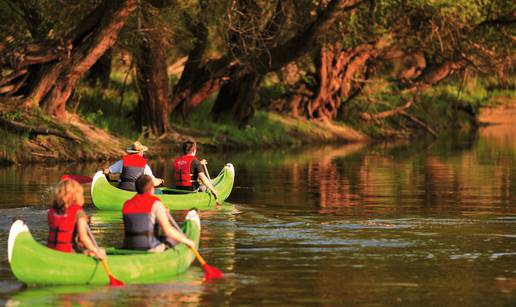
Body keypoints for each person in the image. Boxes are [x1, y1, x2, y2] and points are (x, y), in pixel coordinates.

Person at [122, 175, 195, 252]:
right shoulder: (155, 202)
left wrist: (162, 213)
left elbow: (142, 222)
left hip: (128, 246)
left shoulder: (127, 204)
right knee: (175, 239)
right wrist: (188, 241)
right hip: (148, 247)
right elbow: (168, 231)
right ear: (151, 189)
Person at [47, 179, 106, 259]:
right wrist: (96, 251)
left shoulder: (52, 212)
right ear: (76, 195)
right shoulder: (78, 213)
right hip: (69, 254)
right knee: (102, 251)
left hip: (52, 252)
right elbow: (83, 238)